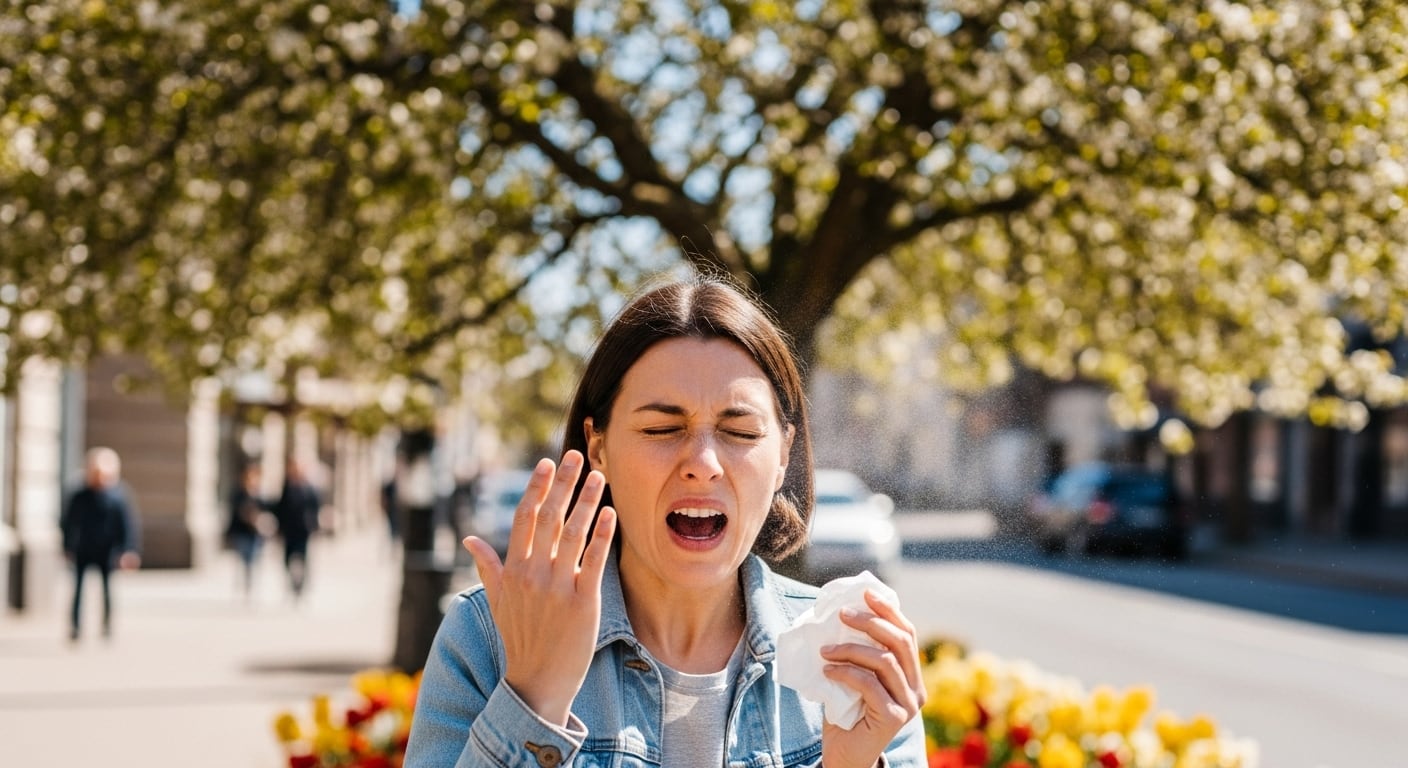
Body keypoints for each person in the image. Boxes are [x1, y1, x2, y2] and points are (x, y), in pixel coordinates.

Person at [406, 276, 927, 767]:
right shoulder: (488, 638)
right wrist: (533, 702)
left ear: (784, 454)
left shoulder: (853, 664)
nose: (703, 462)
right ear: (599, 446)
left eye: (740, 432)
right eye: (661, 428)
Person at [60, 446, 141, 642]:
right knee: (78, 590)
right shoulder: (80, 495)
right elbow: (68, 523)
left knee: (106, 590)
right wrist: (67, 546)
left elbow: (127, 526)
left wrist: (129, 550)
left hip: (107, 550)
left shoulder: (117, 497)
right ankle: (76, 627)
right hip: (83, 548)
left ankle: (106, 625)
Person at [272, 458, 320, 599]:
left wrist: (313, 525)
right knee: (287, 559)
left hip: (303, 530)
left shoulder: (309, 489)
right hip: (289, 530)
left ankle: (301, 585)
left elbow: (315, 507)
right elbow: (280, 508)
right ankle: (292, 582)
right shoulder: (286, 487)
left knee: (303, 558)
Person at [225, 462, 270, 600]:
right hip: (241, 532)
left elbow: (268, 510)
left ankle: (249, 586)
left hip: (255, 533)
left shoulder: (259, 494)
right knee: (243, 560)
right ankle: (243, 585)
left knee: (252, 560)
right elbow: (233, 513)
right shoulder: (238, 493)